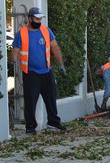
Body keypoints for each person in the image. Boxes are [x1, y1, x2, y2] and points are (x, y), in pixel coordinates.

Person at [10, 7, 67, 135]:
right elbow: (15, 51)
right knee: (30, 101)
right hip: (30, 73)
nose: (39, 21)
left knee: (51, 98)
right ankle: (30, 126)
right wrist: (11, 59)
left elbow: (55, 47)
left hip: (47, 72)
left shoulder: (46, 31)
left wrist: (61, 64)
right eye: (36, 18)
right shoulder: (22, 34)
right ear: (30, 19)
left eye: (40, 18)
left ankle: (53, 122)